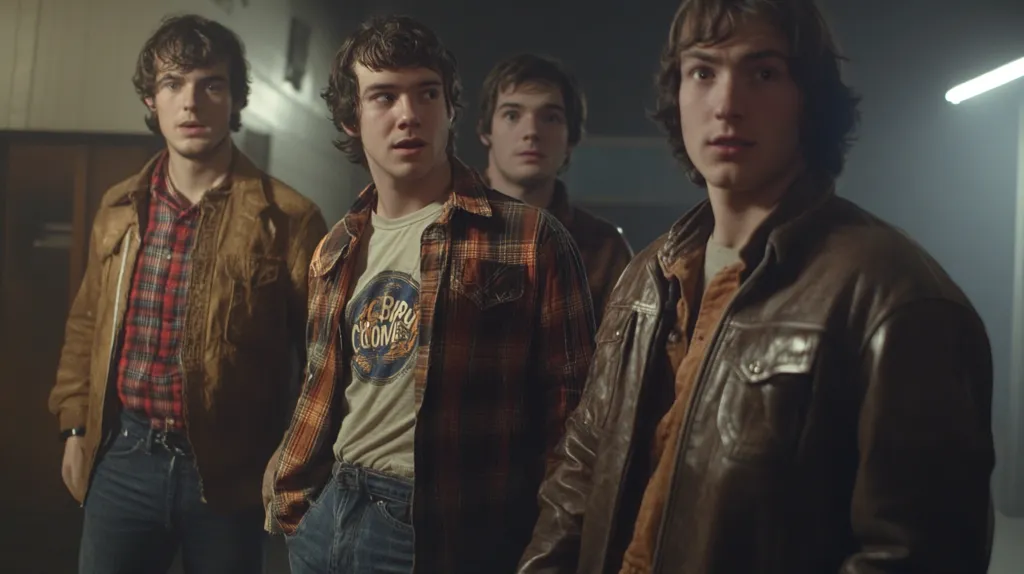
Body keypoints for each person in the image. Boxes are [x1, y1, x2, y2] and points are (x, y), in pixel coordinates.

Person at [517, 0, 996, 573]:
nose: (726, 104)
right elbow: (582, 474)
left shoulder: (895, 297)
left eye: (763, 72)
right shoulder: (647, 274)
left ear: (809, 100)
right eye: (703, 72)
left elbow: (915, 555)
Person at [268, 14, 596, 574]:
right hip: (329, 513)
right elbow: (322, 388)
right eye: (383, 97)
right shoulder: (337, 246)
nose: (408, 114)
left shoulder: (529, 237)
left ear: (450, 110)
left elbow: (576, 420)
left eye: (426, 93)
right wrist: (294, 502)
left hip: (440, 528)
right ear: (352, 118)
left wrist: (549, 550)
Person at [48, 14, 327, 574]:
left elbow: (323, 360)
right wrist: (76, 428)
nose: (191, 102)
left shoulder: (290, 219)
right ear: (152, 100)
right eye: (173, 84)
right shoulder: (120, 206)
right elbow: (86, 326)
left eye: (211, 84)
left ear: (235, 99)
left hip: (230, 475)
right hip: (122, 458)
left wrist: (290, 456)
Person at [479, 53, 632, 325]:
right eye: (512, 115)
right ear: (486, 131)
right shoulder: (441, 227)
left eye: (550, 118)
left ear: (570, 139)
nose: (531, 132)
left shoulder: (604, 250)